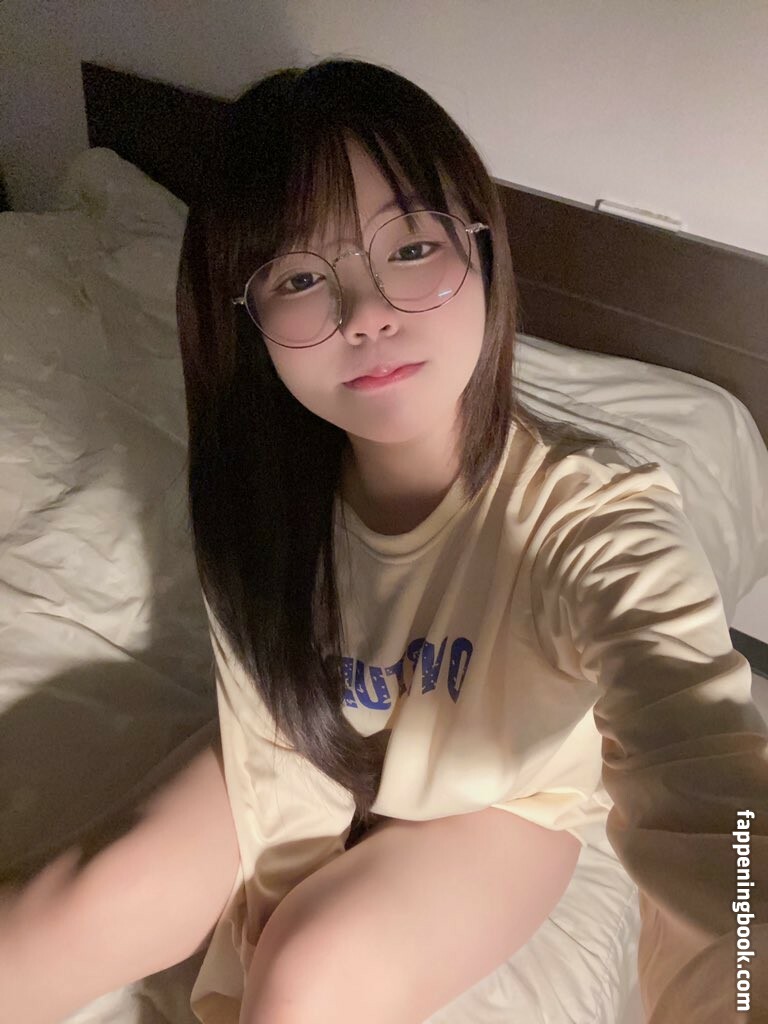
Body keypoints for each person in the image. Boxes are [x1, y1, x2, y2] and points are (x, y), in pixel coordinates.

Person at [2, 56, 767, 1024]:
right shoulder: (267, 479)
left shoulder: (590, 522)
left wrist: (745, 968)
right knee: (82, 900)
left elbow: (710, 790)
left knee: (310, 975)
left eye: (410, 248)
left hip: (498, 795)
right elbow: (269, 702)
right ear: (249, 316)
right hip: (306, 724)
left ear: (482, 251)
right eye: (300, 275)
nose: (365, 315)